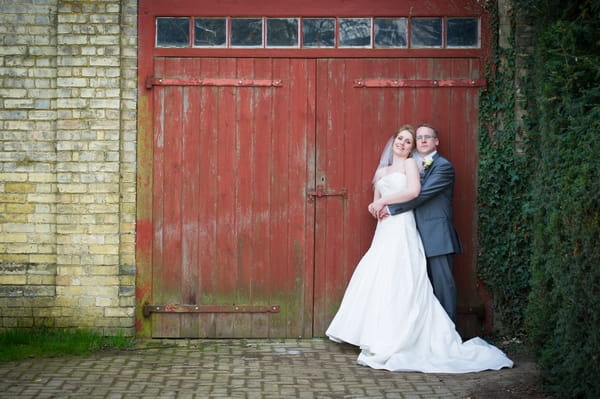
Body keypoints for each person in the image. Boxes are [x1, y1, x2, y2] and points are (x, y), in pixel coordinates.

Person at [325, 125, 513, 373]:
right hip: (386, 229)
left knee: (418, 281)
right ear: (393, 142)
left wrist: (385, 204)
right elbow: (376, 198)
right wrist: (375, 206)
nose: (404, 143)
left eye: (410, 141)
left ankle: (442, 336)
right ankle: (379, 331)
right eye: (400, 139)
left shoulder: (425, 166)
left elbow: (416, 193)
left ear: (429, 143)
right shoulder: (383, 170)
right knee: (383, 277)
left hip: (410, 226)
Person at [374, 123, 462, 322]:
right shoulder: (413, 164)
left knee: (443, 285)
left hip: (436, 235)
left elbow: (421, 195)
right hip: (412, 234)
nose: (422, 140)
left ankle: (449, 335)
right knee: (420, 290)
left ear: (436, 142)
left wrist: (389, 207)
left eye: (427, 137)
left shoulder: (443, 166)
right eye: (419, 137)